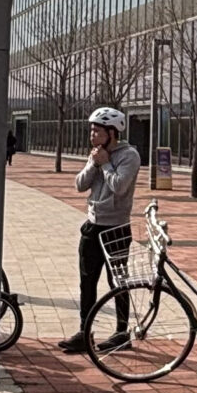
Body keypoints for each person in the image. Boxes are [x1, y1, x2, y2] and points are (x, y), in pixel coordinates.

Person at [58, 107, 140, 355]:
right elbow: (80, 184)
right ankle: (85, 332)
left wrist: (104, 165)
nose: (92, 134)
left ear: (112, 133)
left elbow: (119, 186)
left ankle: (121, 332)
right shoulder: (96, 154)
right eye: (91, 129)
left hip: (116, 227)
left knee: (118, 281)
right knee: (87, 281)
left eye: (98, 130)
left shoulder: (130, 156)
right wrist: (94, 163)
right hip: (92, 226)